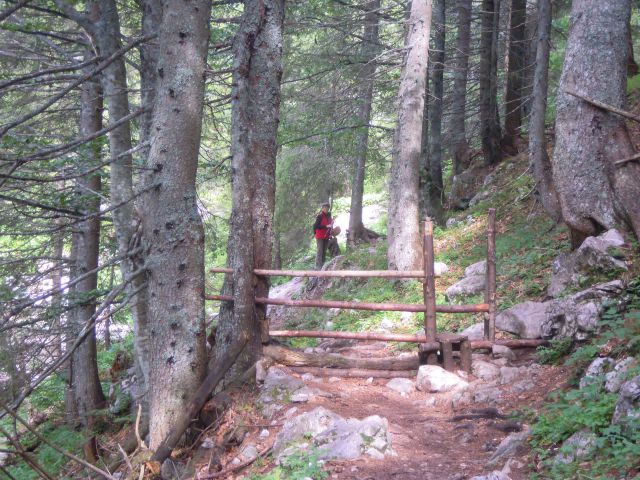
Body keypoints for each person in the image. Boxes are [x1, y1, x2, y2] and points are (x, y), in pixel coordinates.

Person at [314, 202, 333, 269]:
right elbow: (316, 226)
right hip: (320, 236)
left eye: (327, 208)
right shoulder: (320, 216)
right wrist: (326, 226)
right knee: (320, 250)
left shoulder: (329, 216)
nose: (326, 209)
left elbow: (330, 226)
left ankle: (322, 265)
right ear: (322, 208)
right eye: (324, 208)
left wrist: (330, 233)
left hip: (326, 236)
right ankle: (318, 266)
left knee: (324, 250)